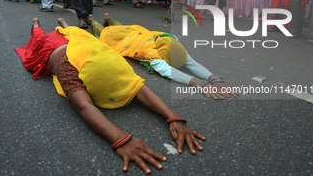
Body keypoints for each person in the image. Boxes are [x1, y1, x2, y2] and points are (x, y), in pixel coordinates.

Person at [14, 17, 206, 174]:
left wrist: (174, 118)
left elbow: (140, 88)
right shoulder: (67, 68)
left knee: (75, 31)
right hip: (54, 50)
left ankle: (64, 25)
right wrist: (121, 139)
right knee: (39, 37)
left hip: (83, 42)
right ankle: (36, 24)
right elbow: (84, 106)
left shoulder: (114, 60)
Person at [90, 13, 239, 100]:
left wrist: (213, 78)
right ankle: (92, 20)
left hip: (137, 31)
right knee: (103, 33)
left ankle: (109, 19)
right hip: (127, 40)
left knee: (124, 27)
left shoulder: (171, 39)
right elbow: (166, 70)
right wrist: (198, 83)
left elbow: (190, 62)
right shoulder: (149, 51)